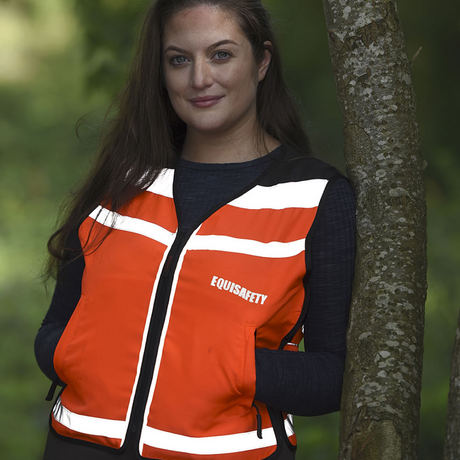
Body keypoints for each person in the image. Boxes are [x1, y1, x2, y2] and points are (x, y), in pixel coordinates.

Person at [35, 0, 356, 459]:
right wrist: (85, 352)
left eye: (221, 55)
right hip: (76, 447)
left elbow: (332, 377)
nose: (199, 78)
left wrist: (227, 365)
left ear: (262, 61)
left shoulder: (314, 197)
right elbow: (55, 331)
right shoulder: (125, 180)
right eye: (179, 59)